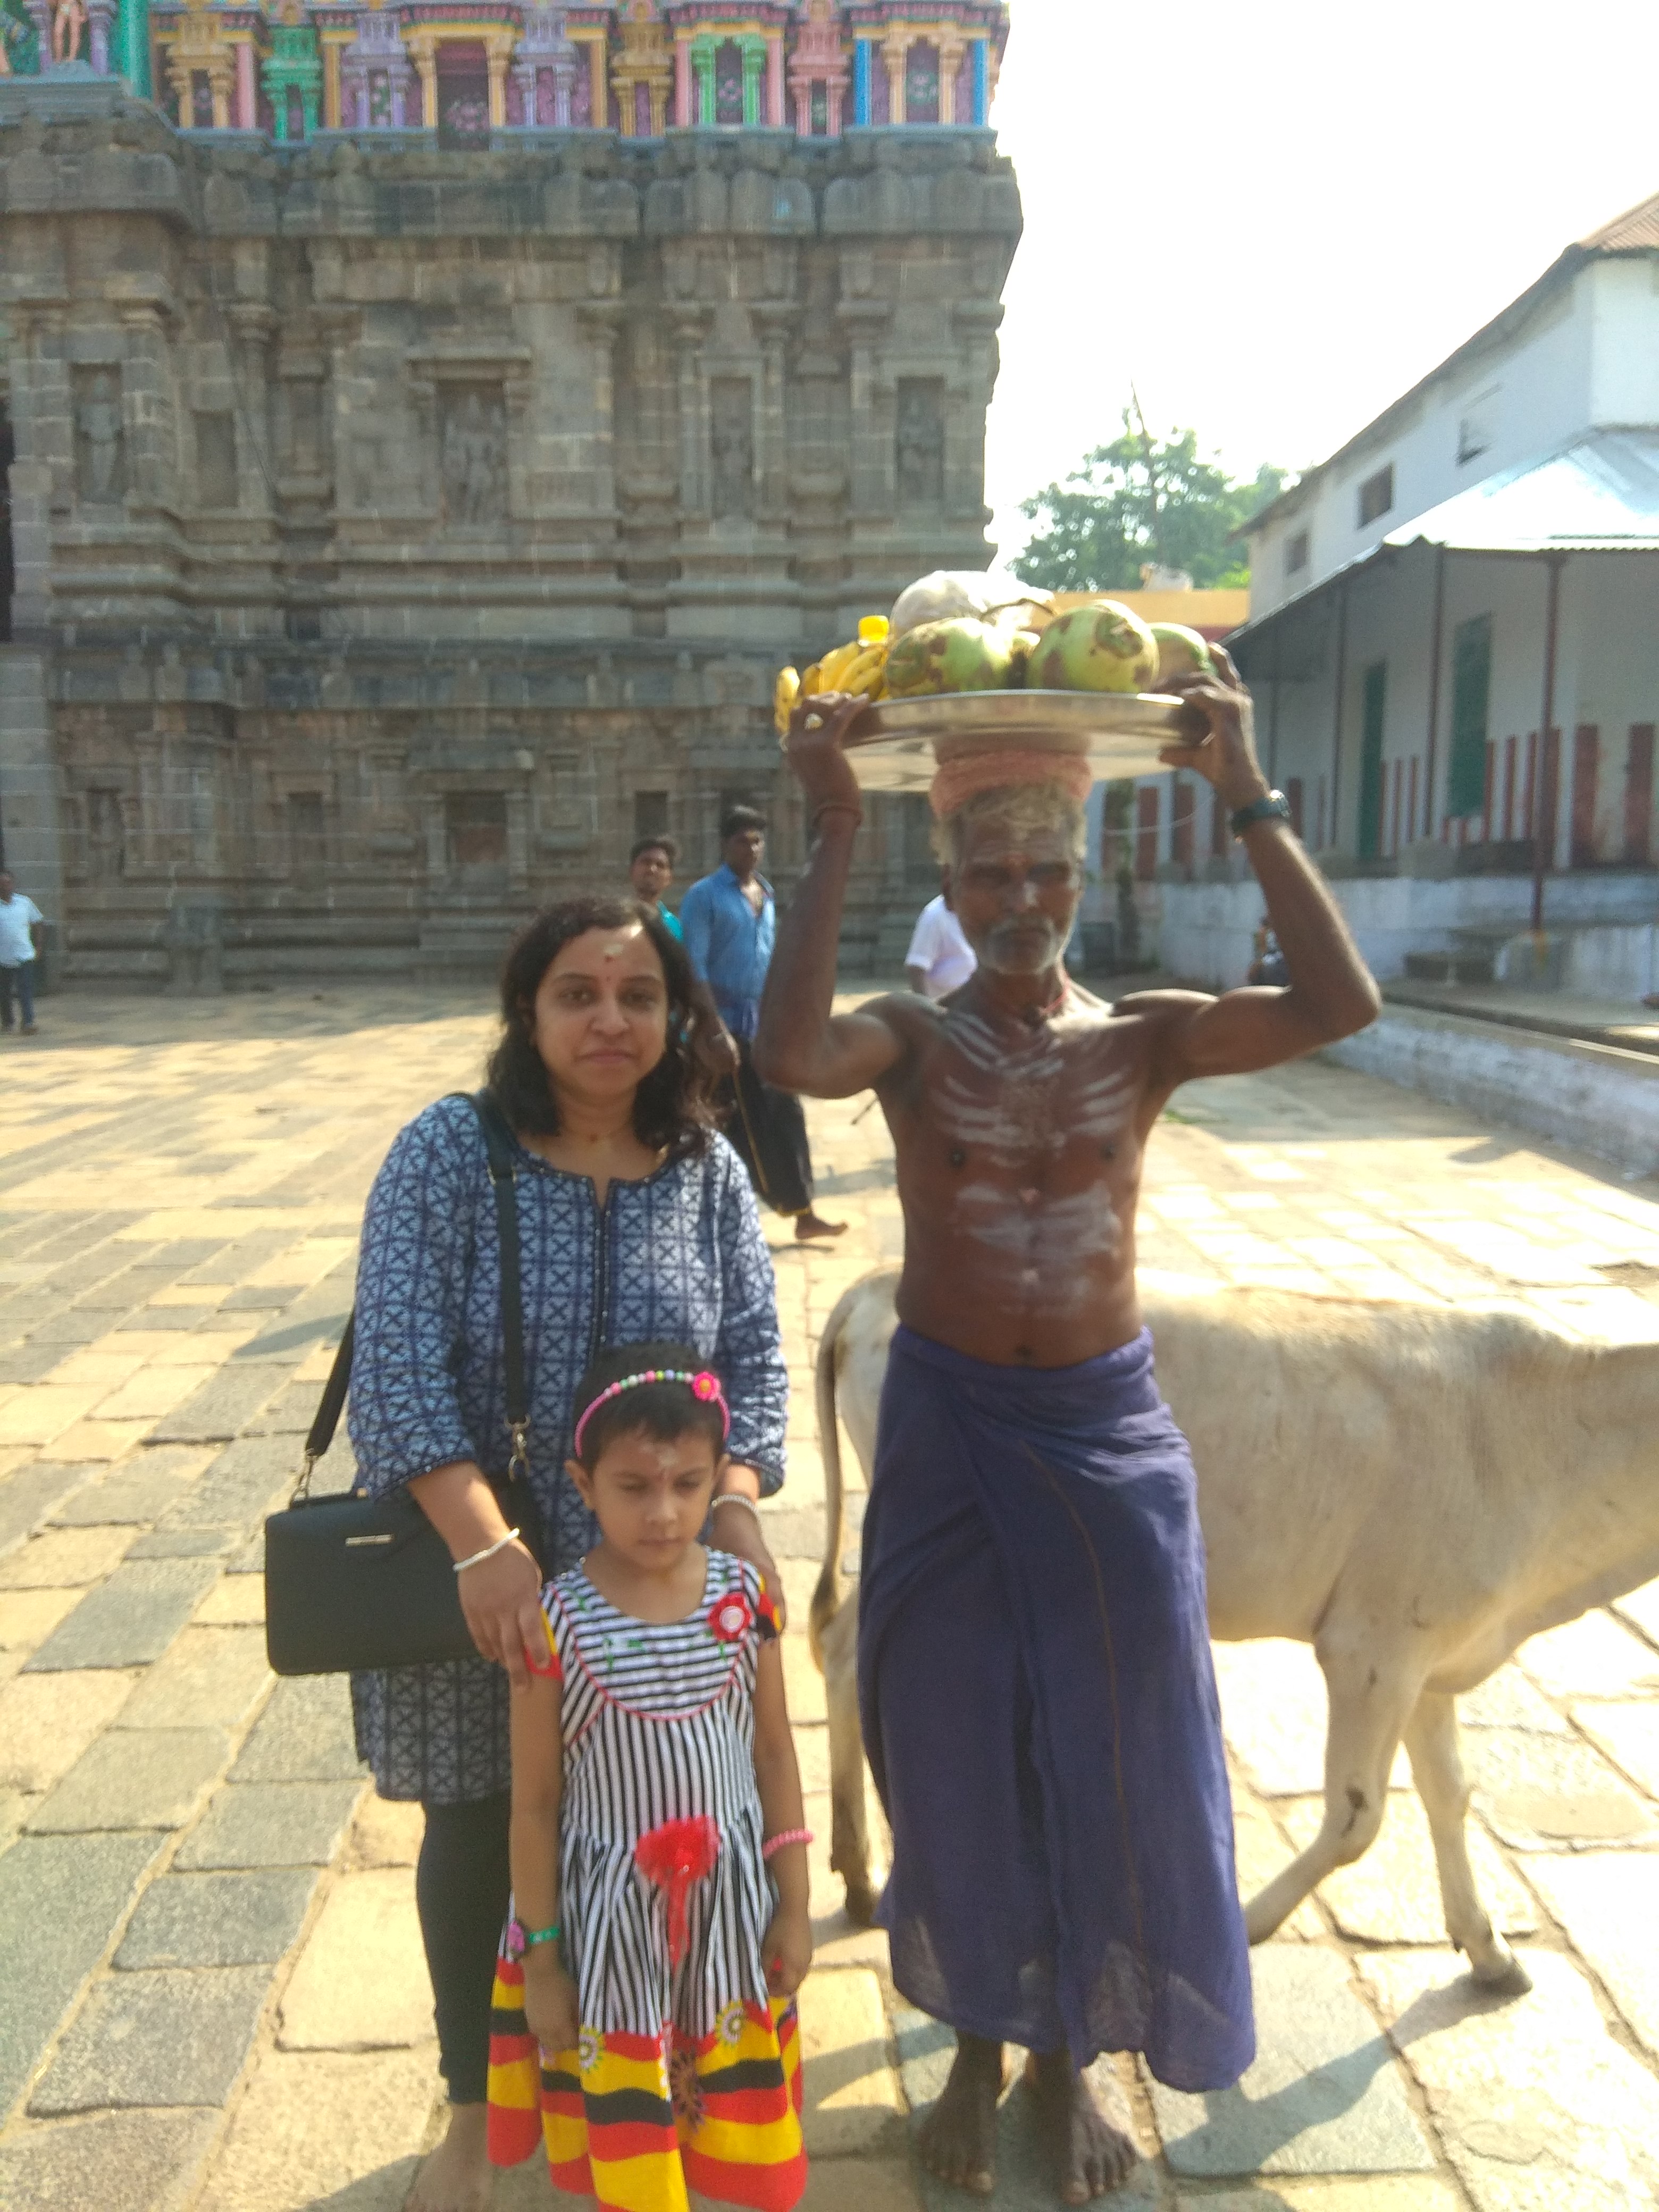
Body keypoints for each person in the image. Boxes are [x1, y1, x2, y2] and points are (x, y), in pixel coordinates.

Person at [755, 652, 1380, 2204]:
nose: (1019, 893)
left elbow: (1339, 1001)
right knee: (952, 1745)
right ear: (950, 885)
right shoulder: (907, 1042)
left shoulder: (1144, 1039)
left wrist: (1245, 791)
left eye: (1044, 866)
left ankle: (1068, 2061)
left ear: (1079, 875)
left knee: (1113, 1754)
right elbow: (783, 1055)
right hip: (950, 1431)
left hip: (1105, 1440)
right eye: (988, 869)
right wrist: (829, 824)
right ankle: (974, 2042)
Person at [348, 896, 790, 2212]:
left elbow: (754, 1359)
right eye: (577, 993)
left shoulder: (706, 1167)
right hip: (487, 1569)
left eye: (639, 995)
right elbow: (395, 1354)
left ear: (675, 1016)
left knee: (663, 1816)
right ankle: (477, 2101)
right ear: (526, 1011)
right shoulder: (451, 1152)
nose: (610, 1019)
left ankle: (657, 2060)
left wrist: (740, 1503)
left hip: (657, 1569)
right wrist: (485, 1547)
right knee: (487, 1818)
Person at [487, 1343, 811, 2211]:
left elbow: (775, 1754)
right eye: (633, 1488)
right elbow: (536, 1804)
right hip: (608, 1934)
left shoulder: (748, 1601)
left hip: (731, 1918)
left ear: (716, 1481)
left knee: (725, 2107)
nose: (664, 1512)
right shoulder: (555, 1620)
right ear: (583, 1484)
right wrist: (545, 1961)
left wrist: (795, 1901)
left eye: (689, 1484)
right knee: (631, 2121)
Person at [679, 806, 842, 1244]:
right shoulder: (705, 896)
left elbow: (771, 964)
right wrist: (714, 1028)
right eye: (741, 841)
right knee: (726, 1124)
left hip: (764, 1023)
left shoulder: (766, 896)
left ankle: (803, 1210)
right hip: (721, 1028)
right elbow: (693, 965)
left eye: (757, 841)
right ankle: (717, 1218)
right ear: (724, 845)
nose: (751, 850)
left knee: (783, 1110)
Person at [904, 885, 976, 1000]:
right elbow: (916, 967)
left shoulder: (979, 911)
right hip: (946, 1007)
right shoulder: (935, 916)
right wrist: (928, 1010)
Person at [0, 873, 43, 1036]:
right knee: (4, 993)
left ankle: (28, 1022)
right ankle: (8, 1021)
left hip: (24, 955)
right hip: (3, 958)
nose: (6, 887)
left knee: (26, 990)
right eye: (2, 884)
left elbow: (38, 922)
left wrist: (38, 946)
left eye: (8, 883)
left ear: (13, 885)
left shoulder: (24, 903)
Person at [630, 834, 684, 941]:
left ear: (669, 878)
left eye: (660, 865)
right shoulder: (615, 923)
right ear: (631, 871)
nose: (652, 869)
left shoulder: (675, 929)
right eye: (646, 862)